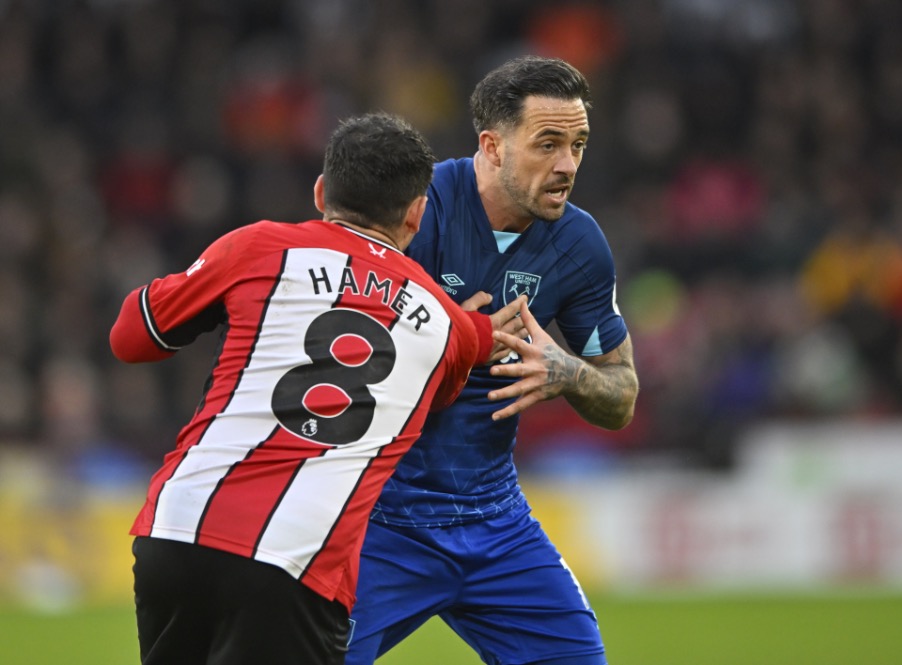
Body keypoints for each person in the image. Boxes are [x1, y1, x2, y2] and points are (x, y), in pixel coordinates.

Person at [109, 112, 526, 665]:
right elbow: (456, 367)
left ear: (321, 191)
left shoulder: (256, 247)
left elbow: (129, 340)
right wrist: (475, 332)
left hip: (177, 527)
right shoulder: (445, 324)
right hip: (295, 559)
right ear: (416, 214)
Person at [346, 56, 639, 665]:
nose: (568, 165)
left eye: (578, 144)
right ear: (493, 145)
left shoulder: (579, 245)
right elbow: (336, 348)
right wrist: (456, 334)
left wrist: (568, 373)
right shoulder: (412, 210)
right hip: (378, 521)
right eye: (549, 144)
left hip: (496, 524)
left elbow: (622, 396)